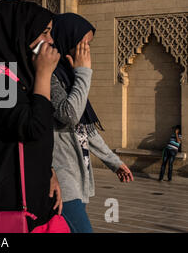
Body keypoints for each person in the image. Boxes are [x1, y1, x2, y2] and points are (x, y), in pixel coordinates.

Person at [0, 0, 68, 233]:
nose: (51, 41)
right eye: (44, 32)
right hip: (7, 208)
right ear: (19, 32)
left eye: (50, 32)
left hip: (31, 204)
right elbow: (33, 127)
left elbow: (30, 136)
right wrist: (43, 74)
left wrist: (47, 172)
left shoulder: (19, 78)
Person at [50, 13, 134, 233]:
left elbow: (86, 131)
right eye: (82, 43)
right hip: (61, 180)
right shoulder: (50, 77)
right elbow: (70, 115)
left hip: (80, 179)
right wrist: (84, 72)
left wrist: (114, 162)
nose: (86, 50)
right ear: (67, 40)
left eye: (89, 45)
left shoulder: (71, 78)